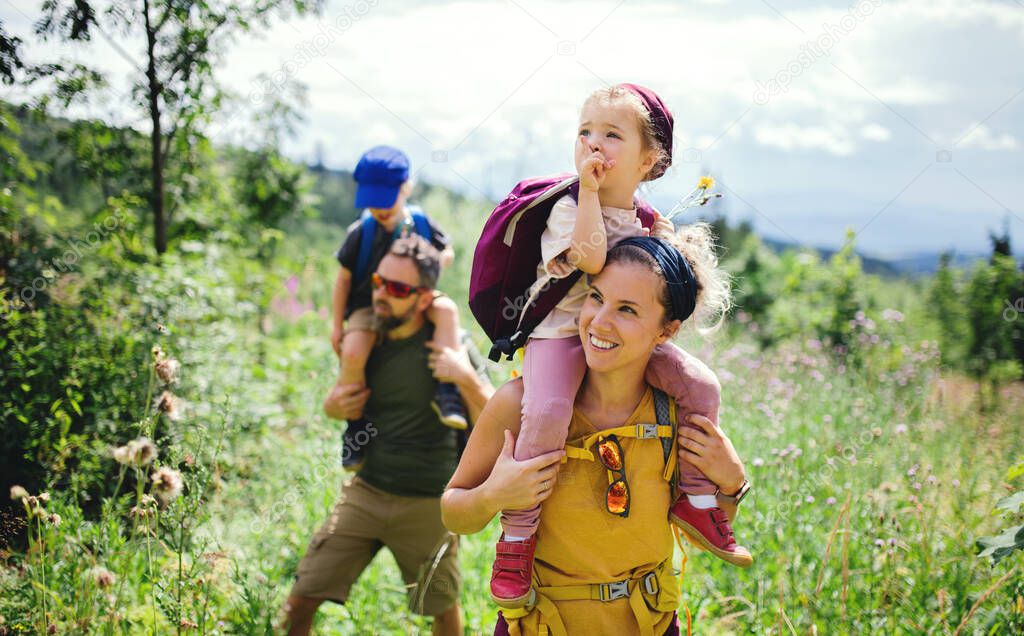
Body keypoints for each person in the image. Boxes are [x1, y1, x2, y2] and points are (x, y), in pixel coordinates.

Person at [484, 83, 752, 608]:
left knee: (700, 384)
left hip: (620, 342)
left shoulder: (648, 221)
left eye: (611, 135)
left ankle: (696, 497)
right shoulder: (567, 206)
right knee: (549, 409)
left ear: (650, 160)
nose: (592, 144)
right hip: (562, 335)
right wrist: (587, 191)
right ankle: (517, 537)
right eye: (584, 132)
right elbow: (588, 257)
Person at [442, 233, 751, 635]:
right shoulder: (521, 403)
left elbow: (699, 530)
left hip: (649, 625)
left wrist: (731, 484)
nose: (600, 321)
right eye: (596, 297)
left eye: (627, 309)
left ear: (666, 331)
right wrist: (493, 496)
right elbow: (453, 513)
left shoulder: (677, 415)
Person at [284, 236, 496, 636]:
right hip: (367, 490)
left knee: (442, 610)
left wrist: (463, 376)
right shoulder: (365, 342)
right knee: (301, 598)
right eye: (380, 281)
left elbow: (495, 419)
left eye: (398, 289)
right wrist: (333, 407)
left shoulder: (451, 346)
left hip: (430, 503)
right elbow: (337, 402)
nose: (382, 295)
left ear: (424, 299)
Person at [331, 145, 467, 470]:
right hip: (371, 304)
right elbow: (344, 281)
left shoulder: (420, 223)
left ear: (405, 188)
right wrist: (338, 325)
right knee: (353, 351)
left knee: (447, 311)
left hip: (414, 296)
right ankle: (356, 424)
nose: (379, 208)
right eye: (372, 201)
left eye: (385, 198)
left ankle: (447, 389)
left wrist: (426, 266)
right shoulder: (361, 233)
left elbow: (445, 252)